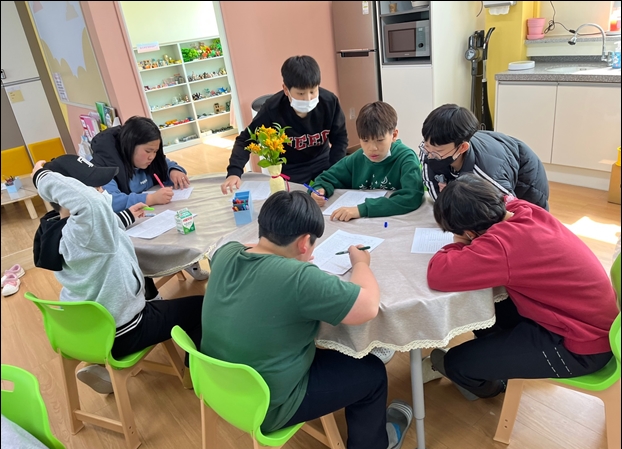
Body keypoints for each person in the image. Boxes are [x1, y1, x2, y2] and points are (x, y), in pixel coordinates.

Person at [201, 191, 413, 449]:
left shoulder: (226, 252)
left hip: (215, 384)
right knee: (372, 371)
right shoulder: (299, 277)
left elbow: (249, 247)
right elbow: (368, 306)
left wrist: (287, 256)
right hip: (269, 406)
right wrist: (361, 264)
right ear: (304, 243)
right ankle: (369, 444)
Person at [427, 174, 618, 400]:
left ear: (470, 233)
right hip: (588, 323)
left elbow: (438, 274)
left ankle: (495, 386)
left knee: (456, 363)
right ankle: (498, 359)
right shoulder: (522, 208)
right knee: (486, 310)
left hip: (581, 346)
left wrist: (458, 243)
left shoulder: (501, 245)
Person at [31, 155, 204, 394]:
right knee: (202, 308)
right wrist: (41, 177)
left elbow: (98, 229)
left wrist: (129, 215)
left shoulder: (57, 228)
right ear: (71, 194)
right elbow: (92, 206)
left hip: (86, 331)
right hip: (125, 332)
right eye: (96, 187)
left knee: (152, 296)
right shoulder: (88, 222)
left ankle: (102, 367)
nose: (103, 191)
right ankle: (194, 376)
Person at [91, 115, 209, 289]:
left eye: (155, 151)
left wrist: (174, 171)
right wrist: (150, 199)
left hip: (155, 216)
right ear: (130, 146)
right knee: (136, 252)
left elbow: (167, 164)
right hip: (129, 226)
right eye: (148, 151)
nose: (152, 157)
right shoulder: (106, 166)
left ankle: (189, 262)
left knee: (183, 224)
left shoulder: (152, 158)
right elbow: (111, 201)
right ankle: (150, 292)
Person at [220, 55, 348, 194]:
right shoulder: (272, 109)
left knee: (333, 196)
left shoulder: (329, 102)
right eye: (301, 93)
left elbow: (340, 139)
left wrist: (334, 171)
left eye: (313, 91)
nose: (308, 98)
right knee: (295, 201)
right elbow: (245, 140)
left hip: (323, 161)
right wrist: (234, 171)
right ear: (286, 89)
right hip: (292, 170)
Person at [418, 104, 550, 210]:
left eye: (438, 151)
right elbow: (433, 186)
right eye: (427, 146)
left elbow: (512, 212)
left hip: (525, 176)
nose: (429, 155)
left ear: (462, 147)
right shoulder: (430, 149)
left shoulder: (490, 175)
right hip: (496, 154)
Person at [309, 101, 424, 222]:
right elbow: (326, 178)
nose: (372, 148)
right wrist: (319, 189)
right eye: (365, 140)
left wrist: (362, 210)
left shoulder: (406, 158)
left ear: (394, 135)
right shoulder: (357, 158)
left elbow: (412, 196)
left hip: (393, 222)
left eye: (380, 140)